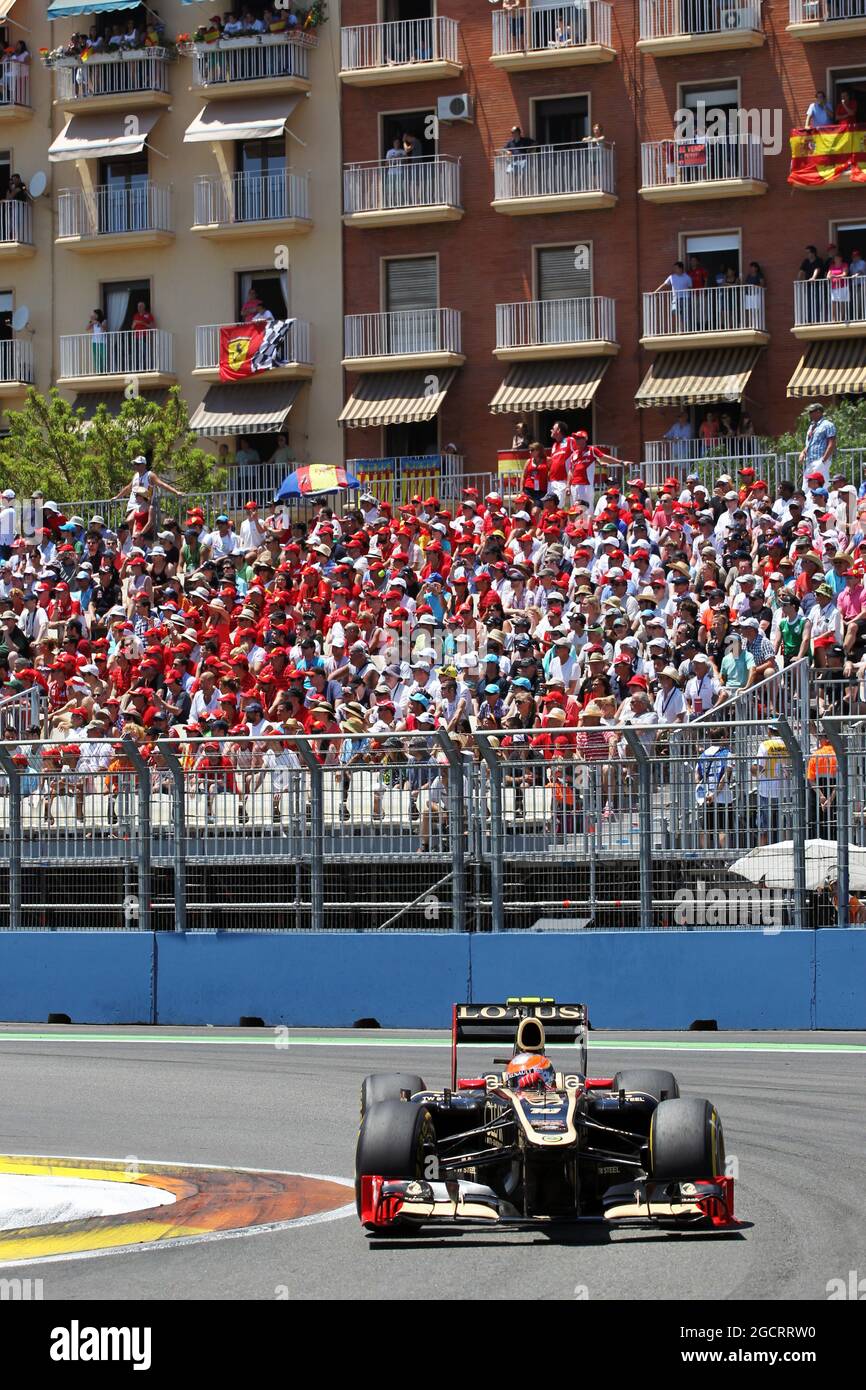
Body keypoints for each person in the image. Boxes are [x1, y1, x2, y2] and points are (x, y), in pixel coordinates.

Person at [799, 401, 837, 490]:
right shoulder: (812, 426)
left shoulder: (828, 425)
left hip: (820, 460)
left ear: (819, 412)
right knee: (806, 488)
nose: (809, 414)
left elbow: (832, 443)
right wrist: (803, 452)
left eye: (811, 412)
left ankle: (824, 503)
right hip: (810, 461)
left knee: (820, 486)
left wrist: (823, 460)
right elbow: (810, 443)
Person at [655, 261, 693, 331]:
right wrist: (655, 292)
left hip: (685, 298)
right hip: (676, 299)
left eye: (676, 268)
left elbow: (690, 288)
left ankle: (687, 329)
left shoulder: (687, 277)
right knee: (677, 313)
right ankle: (682, 329)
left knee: (686, 314)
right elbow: (664, 285)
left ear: (681, 269)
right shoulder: (671, 277)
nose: (674, 270)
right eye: (674, 268)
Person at [89, 308, 107, 373]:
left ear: (98, 314)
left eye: (94, 314)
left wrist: (98, 323)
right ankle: (99, 371)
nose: (93, 315)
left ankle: (104, 371)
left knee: (103, 356)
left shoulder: (103, 321)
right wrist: (91, 322)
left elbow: (104, 329)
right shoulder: (93, 322)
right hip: (94, 342)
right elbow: (87, 328)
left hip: (102, 342)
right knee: (96, 357)